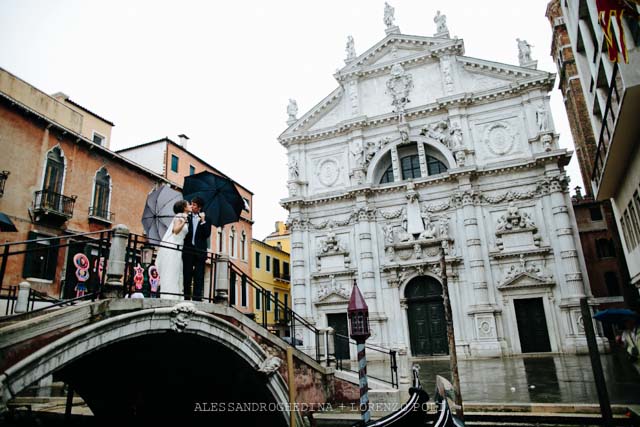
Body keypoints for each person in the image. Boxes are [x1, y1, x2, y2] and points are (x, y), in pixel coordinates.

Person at [155, 200, 191, 300]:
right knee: (171, 271)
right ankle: (168, 296)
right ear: (184, 207)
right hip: (173, 246)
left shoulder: (183, 216)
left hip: (178, 247)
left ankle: (176, 296)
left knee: (176, 271)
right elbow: (175, 231)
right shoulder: (180, 216)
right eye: (188, 204)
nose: (190, 206)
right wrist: (183, 222)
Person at [183, 196, 211, 301]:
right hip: (188, 250)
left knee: (199, 276)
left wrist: (203, 221)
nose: (191, 206)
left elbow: (207, 234)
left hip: (200, 252)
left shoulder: (207, 219)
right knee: (187, 274)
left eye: (194, 205)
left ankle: (197, 298)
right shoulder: (187, 217)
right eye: (191, 204)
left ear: (199, 208)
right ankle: (186, 297)